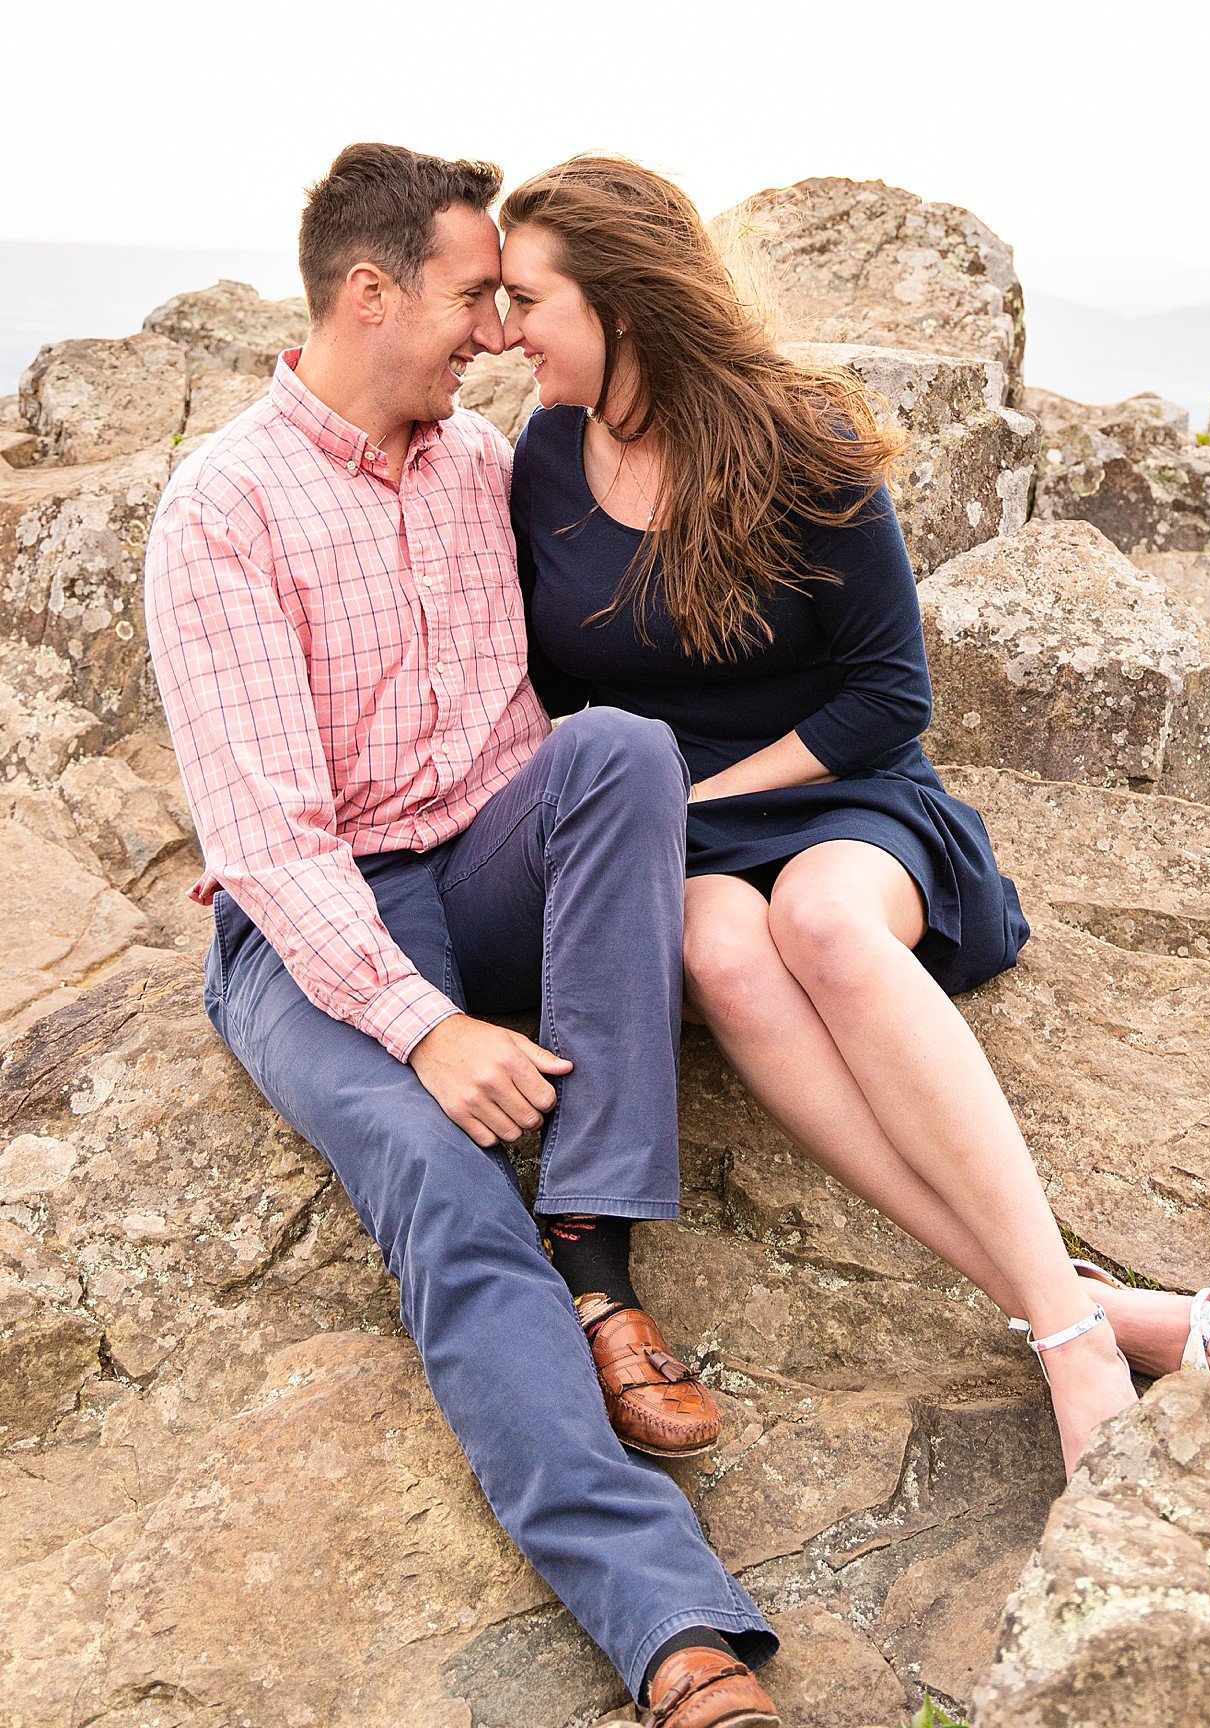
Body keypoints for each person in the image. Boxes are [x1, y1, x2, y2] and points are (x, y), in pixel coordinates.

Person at [501, 156, 1210, 1483]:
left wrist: (706, 792)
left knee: (828, 929)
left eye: (528, 301)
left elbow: (887, 696)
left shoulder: (799, 439)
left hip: (831, 789)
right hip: (666, 824)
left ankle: (1073, 1336)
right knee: (726, 957)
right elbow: (541, 684)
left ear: (619, 302)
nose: (506, 331)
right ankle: (1083, 1313)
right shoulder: (547, 457)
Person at [144, 143, 782, 1728]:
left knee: (622, 750)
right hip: (315, 929)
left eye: (511, 301)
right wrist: (423, 1026)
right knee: (437, 1172)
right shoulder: (221, 512)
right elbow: (271, 847)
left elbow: (621, 642)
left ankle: (598, 1247)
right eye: (472, 297)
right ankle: (673, 1629)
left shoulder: (488, 468)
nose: (497, 331)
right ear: (372, 296)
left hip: (486, 860)